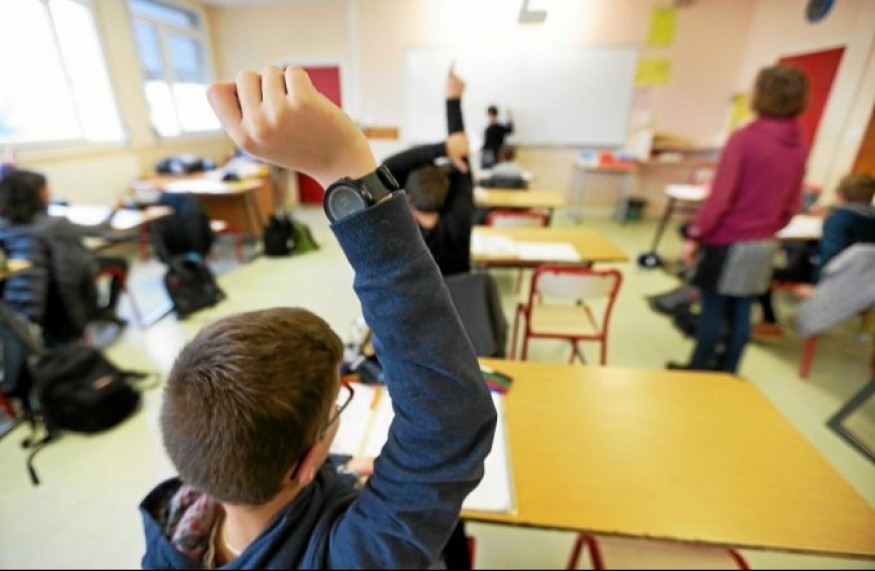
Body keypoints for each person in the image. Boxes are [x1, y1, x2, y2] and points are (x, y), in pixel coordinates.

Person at [139, 65, 497, 569]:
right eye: (337, 403)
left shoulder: (173, 527)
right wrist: (342, 163)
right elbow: (449, 424)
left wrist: (343, 475)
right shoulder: (347, 558)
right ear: (304, 464)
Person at [667, 64, 809, 374]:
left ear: (761, 94)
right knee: (743, 310)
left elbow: (720, 200)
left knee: (713, 309)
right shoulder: (798, 144)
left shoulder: (745, 139)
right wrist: (767, 228)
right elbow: (792, 204)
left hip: (727, 241)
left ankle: (699, 371)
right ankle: (728, 373)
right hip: (764, 243)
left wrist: (695, 235)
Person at [0, 169, 129, 346]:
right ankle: (107, 312)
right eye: (45, 190)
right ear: (37, 195)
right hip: (63, 302)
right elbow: (98, 230)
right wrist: (114, 211)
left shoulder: (4, 226)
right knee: (119, 263)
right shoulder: (55, 225)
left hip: (22, 305)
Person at [754, 173, 875, 337]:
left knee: (764, 273)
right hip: (862, 280)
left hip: (832, 276)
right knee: (800, 250)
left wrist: (819, 287)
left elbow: (830, 254)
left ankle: (769, 322)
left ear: (840, 195)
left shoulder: (839, 219)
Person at [382, 66, 474, 276]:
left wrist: (444, 148)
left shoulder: (399, 234)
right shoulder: (457, 226)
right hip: (459, 297)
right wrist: (453, 101)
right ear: (447, 198)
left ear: (408, 199)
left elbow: (388, 167)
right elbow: (461, 155)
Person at [480, 104, 513, 170]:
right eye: (490, 116)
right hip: (492, 155)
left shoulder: (496, 128)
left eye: (491, 115)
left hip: (497, 155)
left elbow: (509, 130)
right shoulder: (488, 129)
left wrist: (509, 117)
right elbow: (509, 129)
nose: (491, 117)